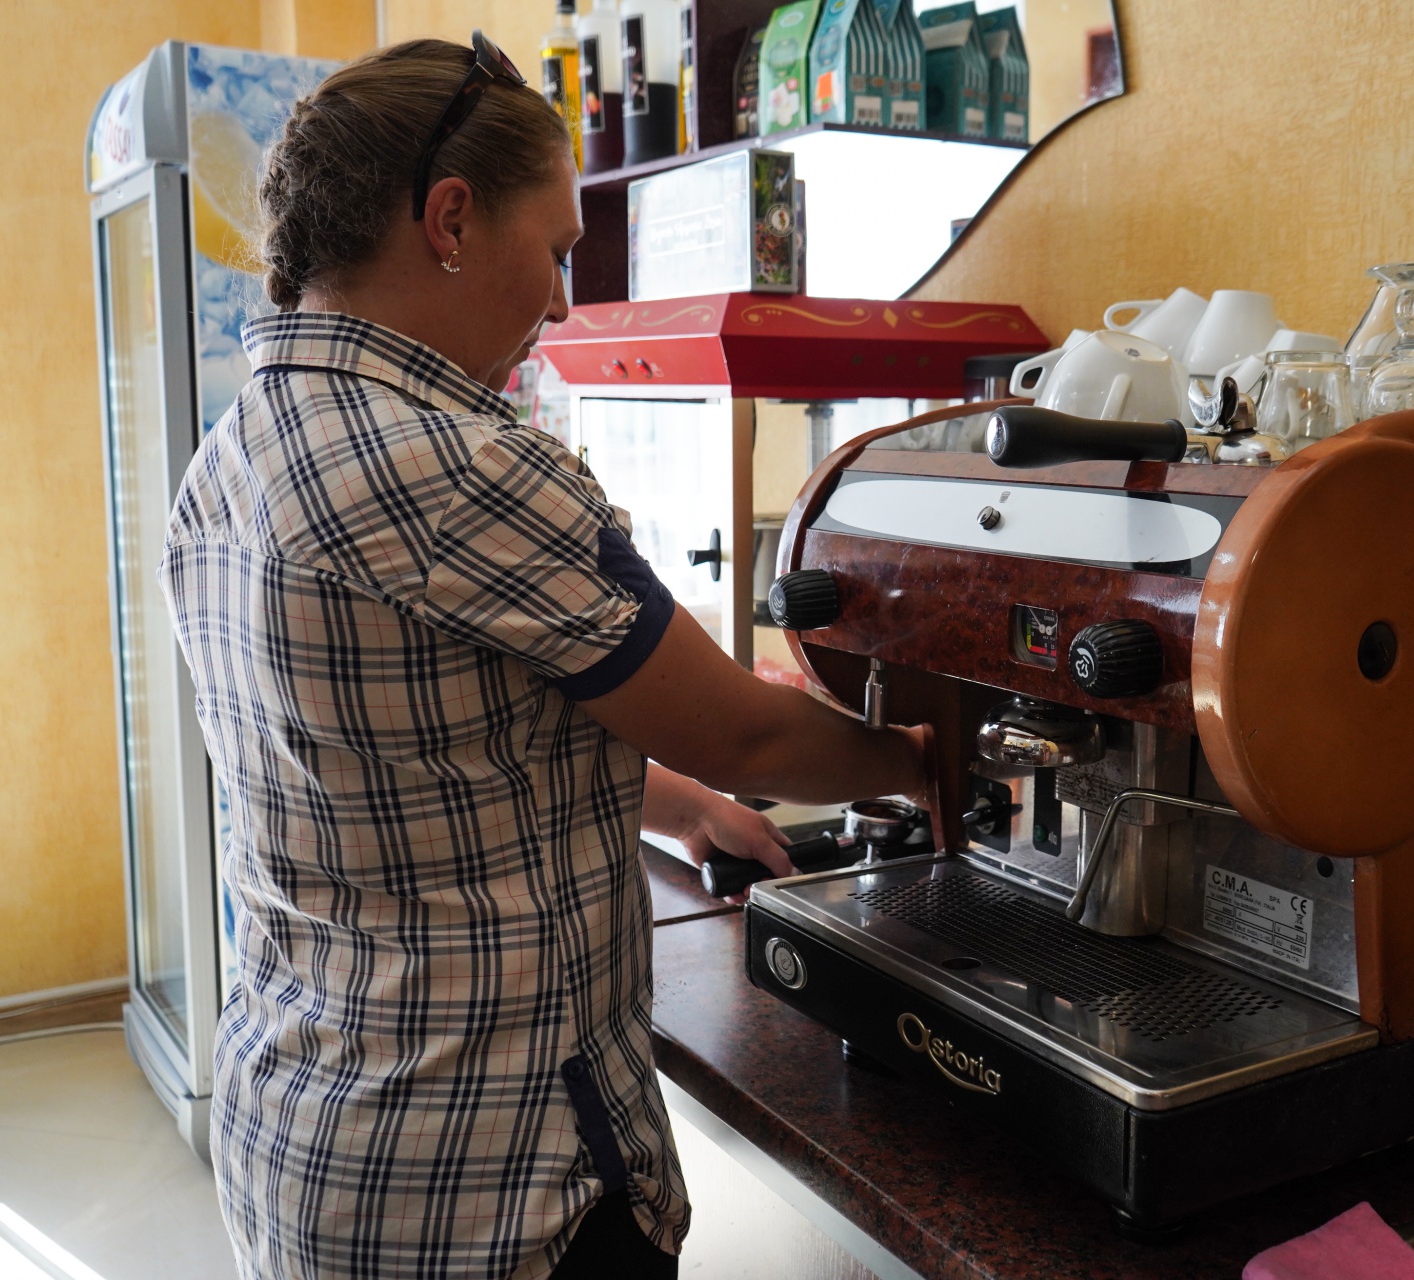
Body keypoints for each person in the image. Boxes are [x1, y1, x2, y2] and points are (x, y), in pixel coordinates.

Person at [157, 34, 927, 1280]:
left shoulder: (233, 448)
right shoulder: (452, 463)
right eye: (559, 250)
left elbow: (421, 755)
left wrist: (685, 808)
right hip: (490, 1182)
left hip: (307, 1133)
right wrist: (929, 757)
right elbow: (747, 727)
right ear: (451, 219)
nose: (564, 302)